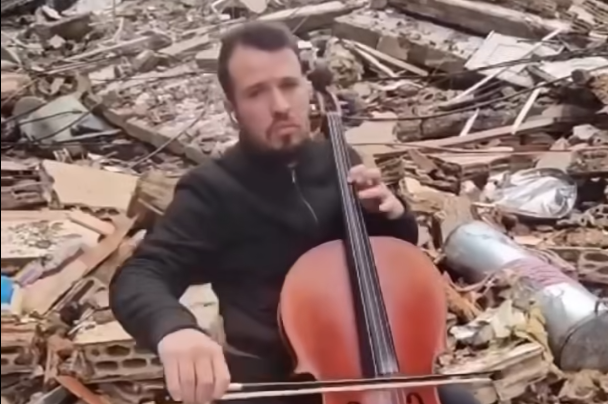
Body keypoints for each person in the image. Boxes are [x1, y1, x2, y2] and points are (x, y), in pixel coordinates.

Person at [109, 21, 481, 404]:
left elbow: (391, 259)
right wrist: (175, 329)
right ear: (232, 109)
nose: (281, 106)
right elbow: (141, 275)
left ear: (307, 87)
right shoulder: (211, 191)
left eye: (288, 85)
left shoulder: (340, 160)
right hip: (275, 386)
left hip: (374, 362)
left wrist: (392, 215)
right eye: (256, 92)